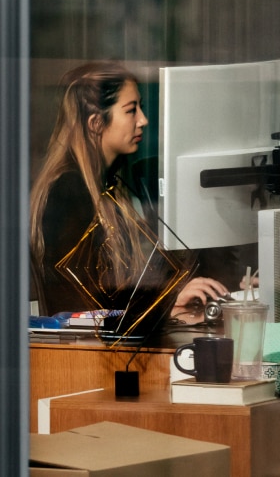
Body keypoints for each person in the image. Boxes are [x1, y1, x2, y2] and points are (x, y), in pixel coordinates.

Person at [28, 62, 229, 319]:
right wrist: (167, 300)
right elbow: (87, 299)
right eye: (131, 110)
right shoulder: (69, 189)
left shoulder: (108, 184)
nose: (143, 120)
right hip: (84, 342)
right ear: (96, 123)